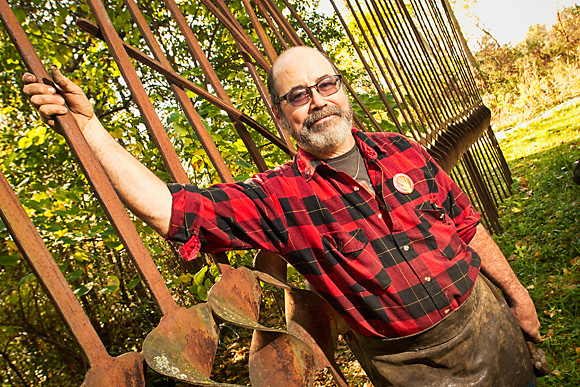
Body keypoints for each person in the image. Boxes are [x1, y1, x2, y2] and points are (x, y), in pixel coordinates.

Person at [23, 46, 541, 386]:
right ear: (281, 113)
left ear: (342, 89)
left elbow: (467, 229)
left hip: (487, 323)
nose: (317, 101)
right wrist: (90, 129)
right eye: (298, 95)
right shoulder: (278, 199)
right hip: (411, 371)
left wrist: (518, 298)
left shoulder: (403, 150)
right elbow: (171, 210)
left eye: (326, 85)